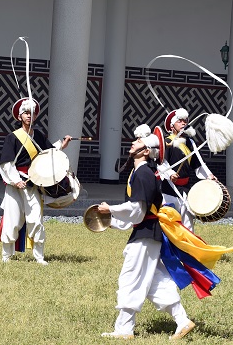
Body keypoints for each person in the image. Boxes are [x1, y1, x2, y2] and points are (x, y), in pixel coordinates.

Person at [97, 124, 196, 340]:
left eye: (139, 142)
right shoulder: (140, 172)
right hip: (147, 233)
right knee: (153, 282)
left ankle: (124, 330)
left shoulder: (143, 173)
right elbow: (139, 213)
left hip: (146, 235)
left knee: (131, 278)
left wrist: (110, 209)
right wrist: (112, 222)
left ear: (145, 152)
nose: (134, 142)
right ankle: (182, 320)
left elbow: (138, 210)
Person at [0, 97, 71, 265]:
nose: (29, 116)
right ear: (19, 117)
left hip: (33, 183)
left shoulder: (38, 135)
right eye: (25, 113)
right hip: (15, 184)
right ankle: (6, 256)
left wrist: (62, 144)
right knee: (13, 219)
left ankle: (39, 256)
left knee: (36, 219)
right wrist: (15, 180)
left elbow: (48, 153)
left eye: (32, 113)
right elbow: (7, 163)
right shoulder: (13, 137)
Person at [161, 108, 217, 231]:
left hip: (186, 188)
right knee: (170, 222)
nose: (183, 123)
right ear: (172, 126)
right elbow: (161, 163)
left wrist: (208, 175)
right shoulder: (167, 142)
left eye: (185, 121)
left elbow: (198, 163)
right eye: (179, 121)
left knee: (188, 223)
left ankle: (187, 247)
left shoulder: (190, 142)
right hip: (169, 188)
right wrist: (170, 174)